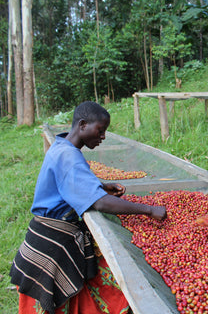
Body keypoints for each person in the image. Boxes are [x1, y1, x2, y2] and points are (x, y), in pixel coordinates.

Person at [10, 101, 167, 314]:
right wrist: (148, 210)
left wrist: (100, 185)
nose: (103, 137)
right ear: (83, 125)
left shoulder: (62, 145)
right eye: (100, 131)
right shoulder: (69, 156)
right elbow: (100, 202)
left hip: (46, 239)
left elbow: (67, 181)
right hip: (52, 249)